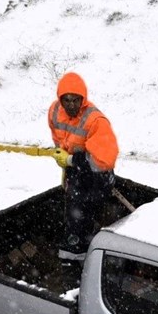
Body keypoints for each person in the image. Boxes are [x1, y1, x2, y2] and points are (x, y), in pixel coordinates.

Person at [48, 72, 119, 265]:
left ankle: (78, 258)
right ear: (60, 99)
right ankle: (79, 254)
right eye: (66, 100)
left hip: (97, 176)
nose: (71, 104)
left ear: (83, 99)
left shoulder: (95, 121)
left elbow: (103, 161)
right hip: (76, 171)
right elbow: (58, 136)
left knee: (80, 218)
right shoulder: (55, 111)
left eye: (75, 100)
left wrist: (70, 160)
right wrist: (62, 156)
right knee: (76, 216)